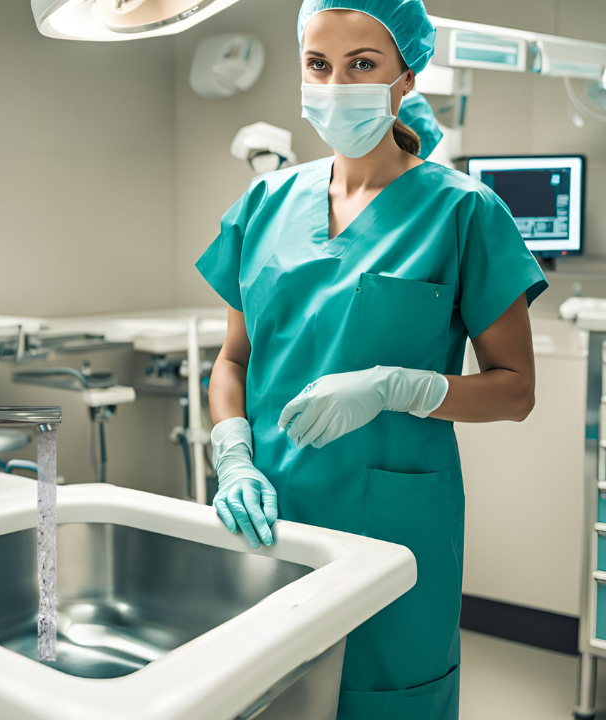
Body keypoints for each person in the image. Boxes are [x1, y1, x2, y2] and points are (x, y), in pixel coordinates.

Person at [195, 1, 549, 718]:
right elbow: (232, 362)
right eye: (319, 65)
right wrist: (232, 455)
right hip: (274, 521)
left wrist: (398, 387)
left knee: (386, 700)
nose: (335, 83)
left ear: (404, 76)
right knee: (273, 695)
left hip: (395, 532)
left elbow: (515, 390)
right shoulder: (264, 203)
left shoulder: (465, 212)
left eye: (362, 65)